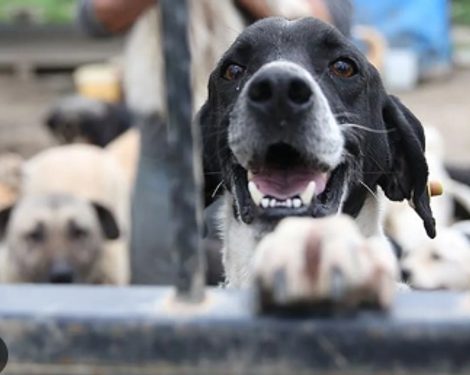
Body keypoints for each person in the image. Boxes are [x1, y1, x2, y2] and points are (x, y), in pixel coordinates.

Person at [76, 0, 353, 285]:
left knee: (278, 284)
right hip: (165, 142)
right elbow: (93, 18)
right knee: (161, 287)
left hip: (272, 145)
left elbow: (330, 24)